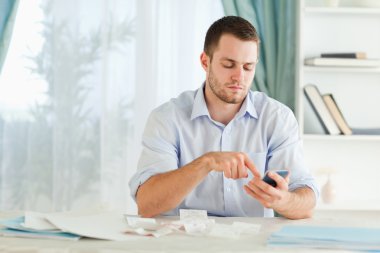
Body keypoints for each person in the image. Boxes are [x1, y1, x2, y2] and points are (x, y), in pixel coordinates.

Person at [129, 16, 319, 219]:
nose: (239, 77)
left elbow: (306, 201)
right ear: (205, 61)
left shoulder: (277, 118)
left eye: (248, 67)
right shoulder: (167, 118)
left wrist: (284, 201)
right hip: (186, 243)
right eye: (229, 65)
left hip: (252, 245)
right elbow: (147, 204)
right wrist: (206, 163)